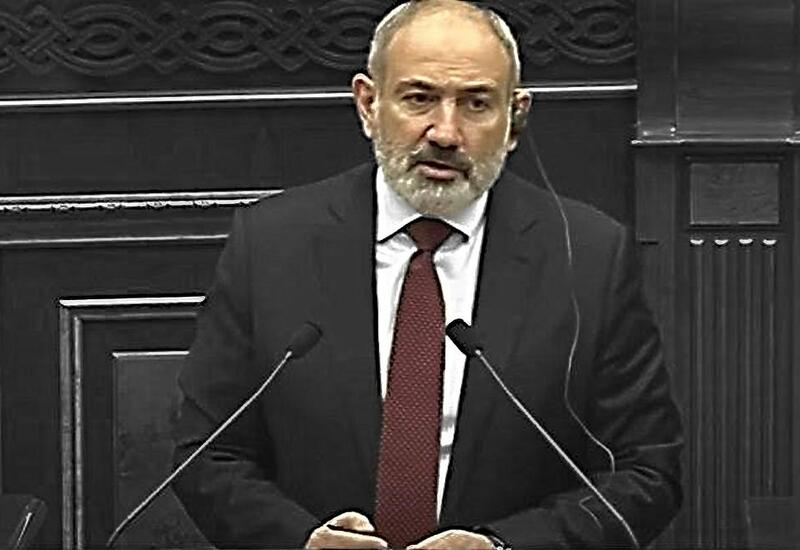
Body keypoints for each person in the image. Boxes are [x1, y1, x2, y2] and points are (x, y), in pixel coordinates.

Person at [172, 1, 683, 548]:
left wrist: (505, 546)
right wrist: (301, 541)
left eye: (476, 104)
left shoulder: (588, 257)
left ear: (515, 120)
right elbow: (209, 455)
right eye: (419, 98)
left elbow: (645, 473)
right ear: (368, 105)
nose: (445, 132)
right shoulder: (271, 244)